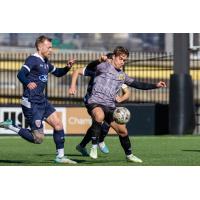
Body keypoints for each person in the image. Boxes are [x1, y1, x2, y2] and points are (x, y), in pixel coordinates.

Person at [0, 35, 76, 164]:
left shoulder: (45, 62)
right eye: (49, 47)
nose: (51, 50)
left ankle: (60, 157)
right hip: (31, 102)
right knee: (38, 138)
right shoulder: (32, 59)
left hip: (42, 100)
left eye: (51, 47)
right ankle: (11, 125)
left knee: (58, 125)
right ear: (40, 47)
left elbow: (57, 72)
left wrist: (67, 67)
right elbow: (21, 74)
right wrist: (27, 82)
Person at [82, 46, 166, 162]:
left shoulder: (122, 75)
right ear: (114, 57)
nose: (122, 62)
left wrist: (155, 85)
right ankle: (94, 147)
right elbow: (89, 67)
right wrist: (98, 60)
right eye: (121, 59)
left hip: (110, 106)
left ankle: (129, 155)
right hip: (95, 102)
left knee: (123, 131)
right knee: (99, 116)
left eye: (124, 60)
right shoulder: (104, 65)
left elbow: (138, 84)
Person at [69, 53, 130, 156]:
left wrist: (121, 98)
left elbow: (127, 92)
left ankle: (87, 144)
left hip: (108, 102)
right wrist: (73, 86)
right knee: (99, 119)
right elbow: (77, 71)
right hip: (92, 99)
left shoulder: (118, 74)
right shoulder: (98, 69)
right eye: (108, 60)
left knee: (103, 123)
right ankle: (98, 141)